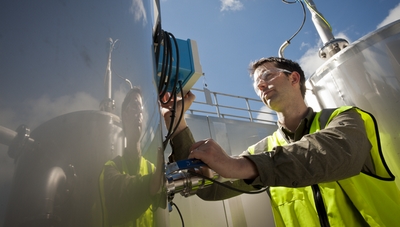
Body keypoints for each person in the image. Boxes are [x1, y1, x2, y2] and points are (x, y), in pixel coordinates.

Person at [161, 57, 400, 226]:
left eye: (267, 76)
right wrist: (178, 122)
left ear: (294, 78)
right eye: (256, 83)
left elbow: (336, 153)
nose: (261, 84)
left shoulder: (344, 118)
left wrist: (239, 165)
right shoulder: (262, 151)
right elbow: (210, 187)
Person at [99, 87, 163, 227]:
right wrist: (151, 183)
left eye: (141, 108)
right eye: (135, 106)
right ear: (124, 115)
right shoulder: (110, 168)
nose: (140, 112)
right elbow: (121, 194)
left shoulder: (152, 168)